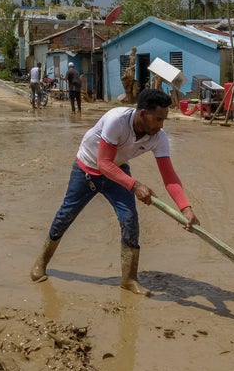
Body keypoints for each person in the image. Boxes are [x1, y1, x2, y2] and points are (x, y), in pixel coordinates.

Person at [30, 88, 199, 295]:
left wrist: (186, 208)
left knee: (129, 219)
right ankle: (41, 262)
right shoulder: (116, 120)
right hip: (87, 170)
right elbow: (103, 163)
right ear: (143, 114)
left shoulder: (158, 137)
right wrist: (136, 185)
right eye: (158, 119)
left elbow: (169, 177)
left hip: (117, 173)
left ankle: (128, 279)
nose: (161, 125)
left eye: (164, 120)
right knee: (66, 215)